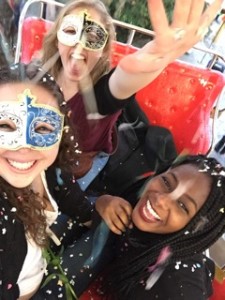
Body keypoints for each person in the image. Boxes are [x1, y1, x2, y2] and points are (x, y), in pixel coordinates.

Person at [41, 0, 223, 181]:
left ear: (103, 51)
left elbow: (120, 84)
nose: (80, 46)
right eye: (71, 31)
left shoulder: (101, 96)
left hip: (70, 179)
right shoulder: (33, 78)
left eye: (93, 37)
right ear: (57, 39)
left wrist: (153, 60)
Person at [0, 62, 93, 299]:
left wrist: (99, 209)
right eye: (5, 125)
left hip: (41, 252)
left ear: (62, 127)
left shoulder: (49, 167)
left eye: (42, 128)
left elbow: (75, 202)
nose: (24, 145)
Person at [82, 154, 225, 299]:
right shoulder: (137, 194)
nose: (161, 200)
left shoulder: (176, 288)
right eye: (167, 182)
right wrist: (101, 202)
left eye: (182, 206)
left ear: (196, 230)